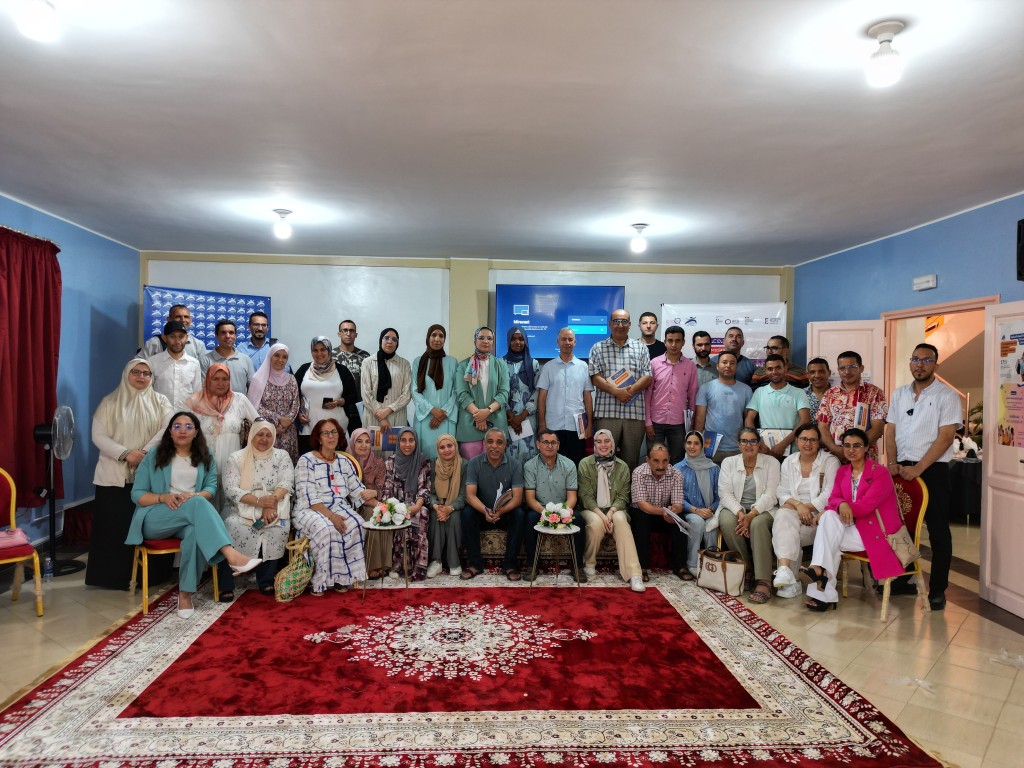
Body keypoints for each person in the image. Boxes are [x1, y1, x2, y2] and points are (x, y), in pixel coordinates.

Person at [126, 411, 262, 618]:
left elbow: (211, 488)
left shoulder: (205, 455)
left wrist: (194, 495)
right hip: (155, 518)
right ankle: (231, 554)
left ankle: (185, 593)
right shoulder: (154, 455)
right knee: (197, 503)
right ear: (170, 431)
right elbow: (137, 494)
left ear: (196, 431)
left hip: (189, 517)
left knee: (194, 533)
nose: (182, 430)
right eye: (177, 426)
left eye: (188, 426)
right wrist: (163, 497)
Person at [883, 343, 960, 611]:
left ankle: (938, 589)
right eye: (915, 359)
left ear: (935, 365)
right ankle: (903, 579)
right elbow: (890, 430)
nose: (920, 364)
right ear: (910, 363)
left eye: (927, 360)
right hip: (901, 468)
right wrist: (891, 462)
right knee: (901, 527)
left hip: (933, 469)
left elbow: (946, 437)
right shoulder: (900, 393)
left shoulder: (947, 396)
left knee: (938, 530)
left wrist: (919, 469)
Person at [87, 359, 173, 590]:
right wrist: (126, 454)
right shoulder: (110, 402)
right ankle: (110, 577)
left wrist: (143, 453)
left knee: (147, 527)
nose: (141, 377)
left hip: (148, 474)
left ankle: (152, 576)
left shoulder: (161, 401)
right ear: (127, 374)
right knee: (115, 528)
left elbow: (167, 429)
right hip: (114, 476)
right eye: (136, 372)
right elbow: (99, 436)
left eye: (146, 373)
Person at [802, 428, 904, 612]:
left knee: (827, 528)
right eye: (847, 446)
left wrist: (842, 506)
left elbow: (865, 507)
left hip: (876, 534)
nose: (851, 450)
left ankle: (820, 579)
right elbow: (833, 498)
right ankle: (821, 579)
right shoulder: (843, 472)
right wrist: (840, 504)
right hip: (852, 529)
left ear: (866, 448)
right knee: (829, 522)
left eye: (856, 446)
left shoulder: (879, 473)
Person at [293, 418, 376, 594]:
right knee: (327, 529)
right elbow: (309, 497)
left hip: (338, 507)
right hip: (310, 509)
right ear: (318, 438)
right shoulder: (306, 460)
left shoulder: (344, 462)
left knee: (357, 524)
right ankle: (319, 581)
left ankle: (342, 577)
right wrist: (331, 517)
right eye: (326, 433)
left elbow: (358, 491)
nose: (331, 436)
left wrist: (385, 507)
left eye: (334, 432)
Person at [219, 419, 293, 598]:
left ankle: (266, 580)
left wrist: (271, 502)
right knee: (231, 525)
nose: (264, 439)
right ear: (251, 435)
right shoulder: (236, 458)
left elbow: (287, 481)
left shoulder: (281, 455)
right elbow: (231, 489)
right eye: (260, 434)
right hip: (240, 507)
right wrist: (260, 502)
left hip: (274, 506)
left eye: (269, 435)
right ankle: (226, 583)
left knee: (278, 527)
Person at [770, 423, 839, 599]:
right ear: (796, 440)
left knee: (784, 528)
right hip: (796, 516)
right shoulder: (789, 461)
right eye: (803, 439)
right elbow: (781, 492)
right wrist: (799, 507)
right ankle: (786, 571)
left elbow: (828, 495)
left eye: (812, 440)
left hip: (820, 520)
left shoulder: (830, 462)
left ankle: (790, 579)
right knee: (784, 515)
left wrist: (804, 509)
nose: (808, 443)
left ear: (819, 442)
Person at [718, 427, 780, 604]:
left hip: (763, 509)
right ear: (739, 444)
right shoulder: (729, 462)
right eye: (744, 441)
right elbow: (725, 493)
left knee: (758, 524)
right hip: (734, 509)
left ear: (759, 444)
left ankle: (764, 581)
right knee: (727, 522)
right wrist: (740, 512)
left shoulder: (771, 463)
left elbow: (771, 494)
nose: (749, 445)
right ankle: (747, 569)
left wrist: (751, 514)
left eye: (753, 441)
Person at [184, 363, 260, 505]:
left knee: (230, 502)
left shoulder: (239, 399)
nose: (221, 383)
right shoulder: (194, 402)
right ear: (208, 380)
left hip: (232, 462)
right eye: (216, 379)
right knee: (205, 502)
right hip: (201, 461)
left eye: (225, 379)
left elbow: (259, 423)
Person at [578, 429, 644, 591]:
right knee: (595, 523)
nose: (603, 445)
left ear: (613, 444)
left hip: (615, 509)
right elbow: (585, 496)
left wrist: (611, 512)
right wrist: (602, 515)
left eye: (607, 441)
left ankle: (634, 574)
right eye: (599, 441)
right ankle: (589, 563)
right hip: (592, 509)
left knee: (621, 520)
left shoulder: (622, 467)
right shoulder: (585, 464)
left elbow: (623, 496)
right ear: (594, 444)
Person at [588, 309, 653, 471]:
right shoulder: (597, 348)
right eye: (616, 321)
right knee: (604, 458)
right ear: (610, 324)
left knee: (630, 461)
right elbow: (595, 378)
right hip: (606, 414)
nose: (620, 325)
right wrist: (617, 392)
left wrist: (627, 392)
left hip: (634, 414)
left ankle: (627, 496)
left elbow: (647, 376)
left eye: (624, 321)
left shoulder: (641, 348)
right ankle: (604, 495)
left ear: (630, 325)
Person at [461, 428, 525, 580]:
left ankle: (510, 565)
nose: (494, 446)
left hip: (504, 513)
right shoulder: (474, 463)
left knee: (519, 514)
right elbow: (470, 495)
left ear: (505, 445)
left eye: (499, 442)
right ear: (484, 443)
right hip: (483, 513)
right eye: (490, 442)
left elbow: (517, 498)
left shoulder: (515, 465)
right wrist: (485, 511)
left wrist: (501, 511)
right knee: (467, 513)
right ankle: (475, 564)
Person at [523, 430, 582, 582]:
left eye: (553, 443)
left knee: (580, 519)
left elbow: (572, 497)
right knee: (529, 519)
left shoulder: (569, 465)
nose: (549, 446)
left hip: (563, 507)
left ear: (558, 445)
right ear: (538, 445)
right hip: (539, 508)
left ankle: (578, 567)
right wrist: (548, 514)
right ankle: (532, 565)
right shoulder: (530, 466)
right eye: (545, 442)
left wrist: (562, 513)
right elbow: (530, 499)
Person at [630, 443, 688, 581]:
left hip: (664, 512)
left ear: (669, 460)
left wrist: (674, 511)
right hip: (644, 511)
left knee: (680, 518)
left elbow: (678, 503)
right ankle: (642, 567)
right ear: (648, 460)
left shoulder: (676, 474)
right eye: (656, 461)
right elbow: (642, 505)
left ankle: (680, 565)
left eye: (665, 461)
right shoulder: (639, 473)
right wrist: (665, 511)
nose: (661, 465)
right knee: (641, 520)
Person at [536, 327, 594, 466]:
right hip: (553, 425)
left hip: (577, 427)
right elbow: (542, 397)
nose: (567, 342)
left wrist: (590, 424)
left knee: (576, 463)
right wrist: (542, 423)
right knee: (552, 464)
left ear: (575, 342)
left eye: (570, 339)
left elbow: (587, 397)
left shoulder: (583, 366)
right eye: (563, 339)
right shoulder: (549, 367)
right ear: (558, 342)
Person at [817, 351, 887, 462]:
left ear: (861, 368)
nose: (847, 372)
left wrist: (854, 450)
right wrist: (834, 449)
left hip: (864, 458)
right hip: (833, 458)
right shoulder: (830, 394)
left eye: (852, 367)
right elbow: (822, 427)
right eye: (842, 368)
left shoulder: (874, 393)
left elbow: (878, 428)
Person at [295, 336, 361, 456]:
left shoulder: (342, 371)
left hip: (335, 431)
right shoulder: (304, 369)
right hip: (308, 429)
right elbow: (293, 395)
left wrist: (340, 401)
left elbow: (353, 396)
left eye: (323, 349)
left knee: (335, 467)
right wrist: (298, 413)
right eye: (315, 350)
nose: (319, 353)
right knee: (310, 467)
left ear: (329, 350)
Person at [644, 325, 699, 464]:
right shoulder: (654, 364)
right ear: (665, 342)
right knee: (654, 460)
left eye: (677, 341)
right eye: (670, 340)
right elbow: (648, 394)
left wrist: (690, 424)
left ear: (683, 342)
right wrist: (648, 422)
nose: (674, 344)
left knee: (677, 460)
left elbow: (692, 396)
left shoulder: (690, 366)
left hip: (679, 423)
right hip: (656, 422)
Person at [382, 428, 432, 581]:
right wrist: (390, 506)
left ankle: (419, 567)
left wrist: (416, 506)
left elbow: (424, 487)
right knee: (395, 516)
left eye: (411, 440)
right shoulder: (391, 462)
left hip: (416, 502)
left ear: (416, 442)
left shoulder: (423, 460)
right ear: (398, 442)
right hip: (396, 503)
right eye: (403, 440)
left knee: (421, 514)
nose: (407, 444)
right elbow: (388, 487)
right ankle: (398, 566)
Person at [455, 327, 510, 459]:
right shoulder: (463, 366)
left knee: (494, 468)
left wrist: (487, 412)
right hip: (469, 424)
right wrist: (478, 415)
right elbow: (462, 393)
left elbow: (504, 393)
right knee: (471, 469)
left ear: (493, 342)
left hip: (495, 422)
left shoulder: (500, 364)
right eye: (481, 338)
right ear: (475, 340)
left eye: (489, 338)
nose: (485, 341)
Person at [744, 354, 811, 458]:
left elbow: (805, 420)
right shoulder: (759, 392)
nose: (774, 372)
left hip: (792, 450)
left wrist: (783, 445)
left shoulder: (798, 392)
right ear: (766, 371)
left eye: (778, 368)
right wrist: (757, 442)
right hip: (765, 449)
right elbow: (749, 419)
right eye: (770, 369)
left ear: (785, 368)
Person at [674, 430, 721, 579]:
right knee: (697, 522)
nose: (692, 446)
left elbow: (720, 495)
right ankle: (692, 564)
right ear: (684, 445)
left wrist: (710, 509)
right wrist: (695, 510)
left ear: (702, 446)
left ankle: (711, 565)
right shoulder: (678, 468)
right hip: (688, 511)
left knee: (711, 524)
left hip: (709, 511)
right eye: (689, 443)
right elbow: (676, 497)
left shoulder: (714, 468)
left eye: (696, 443)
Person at [693, 350, 753, 463]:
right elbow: (700, 419)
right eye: (724, 362)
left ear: (736, 366)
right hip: (711, 448)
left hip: (738, 448)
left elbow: (748, 420)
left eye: (732, 363)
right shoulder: (706, 388)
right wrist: (697, 442)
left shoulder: (746, 390)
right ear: (717, 366)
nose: (728, 366)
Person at [411, 324, 459, 459]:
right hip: (424, 417)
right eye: (434, 335)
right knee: (424, 457)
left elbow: (456, 391)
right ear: (428, 338)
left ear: (445, 339)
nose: (437, 339)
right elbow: (414, 390)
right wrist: (432, 410)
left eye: (441, 336)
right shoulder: (418, 362)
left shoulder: (453, 362)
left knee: (446, 455)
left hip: (446, 418)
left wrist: (442, 413)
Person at [247, 343, 300, 462]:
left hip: (288, 432)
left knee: (286, 467)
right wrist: (277, 420)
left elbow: (295, 404)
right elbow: (254, 406)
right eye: (277, 355)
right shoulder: (258, 379)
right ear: (270, 356)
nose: (280, 360)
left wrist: (287, 422)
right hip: (264, 432)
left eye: (284, 357)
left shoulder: (291, 379)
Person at [348, 427, 390, 578]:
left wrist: (375, 493)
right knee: (374, 511)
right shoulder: (345, 462)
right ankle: (369, 566)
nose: (363, 445)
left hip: (373, 502)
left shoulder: (378, 462)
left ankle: (382, 564)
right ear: (353, 442)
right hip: (351, 503)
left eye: (367, 442)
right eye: (359, 441)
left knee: (380, 513)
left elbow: (382, 487)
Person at [360, 327, 413, 442]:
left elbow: (407, 394)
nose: (390, 341)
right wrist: (381, 417)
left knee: (394, 453)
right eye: (386, 338)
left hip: (396, 416)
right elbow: (365, 393)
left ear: (397, 343)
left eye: (394, 339)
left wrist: (388, 410)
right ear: (380, 340)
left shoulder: (404, 364)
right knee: (373, 452)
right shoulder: (368, 362)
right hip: (373, 416)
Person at [427, 433, 465, 578]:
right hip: (438, 505)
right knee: (434, 516)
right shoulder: (432, 464)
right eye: (442, 447)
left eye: (450, 446)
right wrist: (436, 505)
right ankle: (436, 562)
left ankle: (454, 562)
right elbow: (428, 491)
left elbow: (464, 494)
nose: (446, 450)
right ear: (437, 449)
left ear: (455, 446)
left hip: (455, 506)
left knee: (454, 517)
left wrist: (450, 508)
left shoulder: (464, 465)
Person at [503, 327, 540, 463]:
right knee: (509, 454)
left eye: (520, 339)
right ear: (508, 341)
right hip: (507, 418)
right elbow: (499, 392)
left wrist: (522, 416)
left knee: (528, 454)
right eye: (513, 339)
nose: (517, 342)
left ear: (525, 341)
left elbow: (537, 391)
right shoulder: (501, 364)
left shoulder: (533, 364)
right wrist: (512, 416)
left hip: (528, 417)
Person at [147, 320, 202, 409]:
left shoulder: (194, 364)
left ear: (187, 338)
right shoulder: (153, 362)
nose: (177, 341)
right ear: (165, 338)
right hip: (160, 417)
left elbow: (197, 394)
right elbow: (148, 392)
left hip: (186, 417)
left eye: (181, 336)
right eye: (172, 337)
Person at [200, 319, 254, 394]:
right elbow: (203, 389)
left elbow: (252, 388)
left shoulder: (246, 360)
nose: (228, 336)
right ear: (216, 335)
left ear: (235, 336)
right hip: (214, 405)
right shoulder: (205, 360)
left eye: (231, 333)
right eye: (223, 333)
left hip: (240, 405)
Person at [141, 303, 207, 360]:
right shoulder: (154, 343)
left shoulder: (198, 345)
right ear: (169, 319)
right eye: (178, 316)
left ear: (190, 320)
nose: (183, 320)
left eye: (186, 317)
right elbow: (136, 365)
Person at [333, 319, 371, 391]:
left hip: (359, 400)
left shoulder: (364, 356)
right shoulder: (330, 356)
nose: (348, 334)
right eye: (345, 330)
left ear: (356, 335)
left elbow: (370, 381)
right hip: (337, 400)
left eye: (351, 330)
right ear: (339, 334)